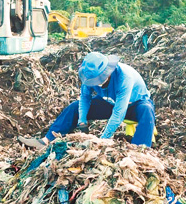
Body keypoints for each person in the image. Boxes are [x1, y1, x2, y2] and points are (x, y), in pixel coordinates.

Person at [19, 52, 155, 149]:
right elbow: (85, 98)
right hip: (109, 102)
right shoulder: (89, 76)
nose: (97, 83)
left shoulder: (124, 77)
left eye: (100, 80)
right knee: (74, 107)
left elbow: (118, 114)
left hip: (134, 104)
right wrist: (82, 122)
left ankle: (139, 150)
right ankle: (46, 140)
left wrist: (102, 141)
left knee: (147, 111)